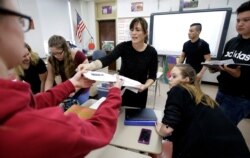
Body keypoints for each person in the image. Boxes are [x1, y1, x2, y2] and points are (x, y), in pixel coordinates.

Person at [0, 1, 124, 158]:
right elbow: (98, 131)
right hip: (74, 91)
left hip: (78, 88)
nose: (30, 28)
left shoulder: (77, 55)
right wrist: (114, 93)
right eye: (20, 20)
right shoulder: (44, 128)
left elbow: (33, 103)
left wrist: (72, 85)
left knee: (76, 102)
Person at [155, 64, 250, 158]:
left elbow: (167, 130)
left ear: (186, 80)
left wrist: (160, 130)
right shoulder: (199, 95)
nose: (170, 79)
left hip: (219, 149)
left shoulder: (178, 90)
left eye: (174, 76)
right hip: (235, 147)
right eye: (170, 76)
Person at [78, 17, 158, 108]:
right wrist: (89, 66)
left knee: (136, 116)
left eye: (137, 29)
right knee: (119, 115)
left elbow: (152, 76)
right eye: (131, 30)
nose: (133, 33)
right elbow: (107, 59)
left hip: (140, 91)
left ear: (145, 33)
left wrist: (145, 86)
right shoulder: (123, 47)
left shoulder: (151, 52)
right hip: (122, 89)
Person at [209, 1, 250, 125]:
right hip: (222, 91)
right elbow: (224, 61)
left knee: (224, 127)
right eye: (238, 20)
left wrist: (240, 76)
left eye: (246, 20)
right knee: (215, 122)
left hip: (239, 97)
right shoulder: (232, 42)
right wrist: (216, 67)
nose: (240, 24)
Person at [45, 35, 89, 104]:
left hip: (81, 88)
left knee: (79, 107)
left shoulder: (78, 55)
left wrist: (75, 90)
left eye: (59, 53)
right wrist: (46, 94)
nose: (56, 56)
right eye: (54, 54)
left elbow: (86, 75)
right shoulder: (51, 59)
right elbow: (50, 79)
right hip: (67, 88)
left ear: (65, 48)